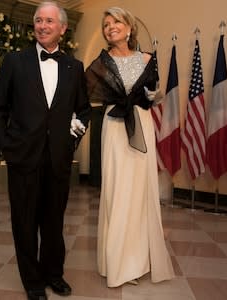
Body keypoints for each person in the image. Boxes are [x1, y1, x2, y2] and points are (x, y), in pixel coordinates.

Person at [0, 2, 91, 299]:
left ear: (62, 28)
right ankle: (32, 282)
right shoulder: (15, 61)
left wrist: (74, 137)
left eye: (49, 21)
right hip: (23, 157)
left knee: (54, 221)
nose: (42, 26)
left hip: (58, 159)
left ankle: (54, 275)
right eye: (38, 20)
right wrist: (6, 147)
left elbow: (83, 111)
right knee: (24, 221)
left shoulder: (74, 67)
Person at [85, 6, 175, 288]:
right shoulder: (101, 63)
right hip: (114, 127)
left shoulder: (148, 59)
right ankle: (117, 263)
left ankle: (137, 262)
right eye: (106, 24)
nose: (110, 27)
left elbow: (155, 97)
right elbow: (89, 94)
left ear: (129, 27)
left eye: (116, 22)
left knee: (139, 193)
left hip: (143, 125)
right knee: (117, 192)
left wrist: (156, 95)